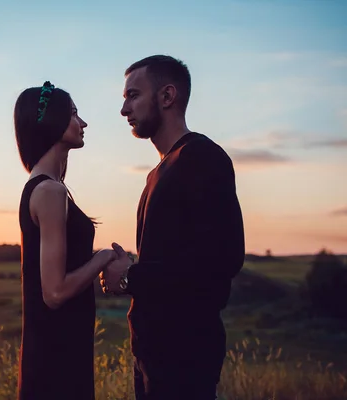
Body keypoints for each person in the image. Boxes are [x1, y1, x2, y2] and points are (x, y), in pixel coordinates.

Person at [100, 55, 245, 399]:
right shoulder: (157, 173)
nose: (123, 109)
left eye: (133, 95)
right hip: (151, 354)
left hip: (185, 357)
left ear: (167, 96)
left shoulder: (202, 158)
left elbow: (222, 260)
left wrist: (129, 276)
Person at [14, 81, 117, 400]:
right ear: (54, 122)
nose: (83, 123)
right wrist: (104, 258)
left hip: (59, 347)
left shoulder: (45, 188)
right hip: (56, 355)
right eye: (74, 114)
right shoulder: (49, 192)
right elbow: (54, 292)